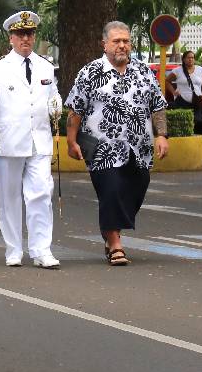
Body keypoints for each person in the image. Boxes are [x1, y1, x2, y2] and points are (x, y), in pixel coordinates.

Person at [66, 20, 169, 266]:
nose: (122, 45)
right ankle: (114, 244)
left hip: (139, 148)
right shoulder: (90, 72)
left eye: (126, 41)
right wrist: (71, 141)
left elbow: (158, 106)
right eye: (116, 41)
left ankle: (111, 229)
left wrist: (162, 135)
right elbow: (75, 109)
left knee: (137, 187)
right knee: (111, 190)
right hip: (101, 148)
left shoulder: (144, 72)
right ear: (104, 44)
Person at [0, 11, 62, 269]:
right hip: (8, 142)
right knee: (9, 198)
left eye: (30, 34)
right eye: (20, 34)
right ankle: (13, 249)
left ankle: (41, 250)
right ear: (11, 37)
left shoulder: (46, 66)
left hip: (39, 140)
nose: (26, 38)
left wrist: (56, 104)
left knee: (40, 194)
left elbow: (53, 94)